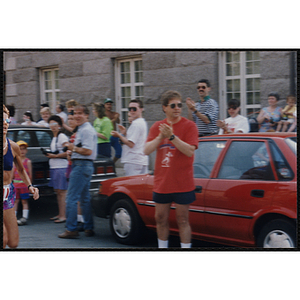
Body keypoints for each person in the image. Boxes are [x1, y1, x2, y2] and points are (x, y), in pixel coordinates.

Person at [144, 91, 199, 248]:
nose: (177, 108)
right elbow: (146, 150)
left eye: (179, 105)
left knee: (182, 220)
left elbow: (189, 151)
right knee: (160, 218)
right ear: (164, 108)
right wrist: (160, 137)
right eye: (173, 105)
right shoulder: (157, 127)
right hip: (163, 182)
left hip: (183, 183)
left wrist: (172, 137)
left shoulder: (190, 126)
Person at [58, 105, 97, 239]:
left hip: (81, 166)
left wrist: (72, 148)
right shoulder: (83, 129)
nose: (77, 116)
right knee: (84, 198)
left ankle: (71, 229)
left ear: (87, 115)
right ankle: (88, 227)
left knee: (71, 198)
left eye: (80, 113)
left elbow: (88, 151)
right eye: (75, 113)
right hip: (83, 165)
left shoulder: (85, 130)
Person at [3, 105, 39, 249]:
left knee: (13, 242)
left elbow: (21, 169)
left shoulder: (13, 146)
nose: (5, 124)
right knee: (3, 238)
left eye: (7, 121)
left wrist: (30, 186)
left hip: (8, 195)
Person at [111, 99, 148, 176]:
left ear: (141, 109)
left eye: (134, 109)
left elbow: (131, 144)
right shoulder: (142, 122)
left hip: (133, 160)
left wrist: (118, 135)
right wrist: (124, 134)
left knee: (132, 186)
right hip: (140, 160)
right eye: (129, 109)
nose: (131, 111)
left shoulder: (136, 124)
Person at [46, 115, 69, 223]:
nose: (53, 126)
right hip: (55, 167)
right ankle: (60, 214)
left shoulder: (62, 137)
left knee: (62, 192)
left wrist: (54, 156)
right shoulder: (55, 137)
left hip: (61, 167)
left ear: (59, 126)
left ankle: (63, 215)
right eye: (51, 124)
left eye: (55, 124)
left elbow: (68, 151)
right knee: (58, 192)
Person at [65, 113, 85, 231]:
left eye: (72, 119)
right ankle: (79, 220)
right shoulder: (72, 135)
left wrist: (70, 153)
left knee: (76, 196)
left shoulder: (77, 135)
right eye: (69, 119)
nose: (70, 121)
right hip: (71, 165)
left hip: (76, 166)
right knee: (76, 196)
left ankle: (80, 220)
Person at [13, 141, 32, 225]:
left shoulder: (28, 162)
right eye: (20, 149)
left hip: (24, 185)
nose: (22, 151)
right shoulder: (14, 162)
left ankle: (25, 217)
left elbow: (30, 175)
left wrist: (30, 186)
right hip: (15, 185)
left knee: (24, 201)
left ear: (26, 150)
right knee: (15, 201)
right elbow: (12, 174)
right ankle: (13, 217)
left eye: (24, 149)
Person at [104, 98, 122, 163]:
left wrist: (117, 118)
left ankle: (112, 163)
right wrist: (114, 118)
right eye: (107, 104)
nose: (109, 106)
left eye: (110, 104)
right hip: (107, 136)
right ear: (104, 105)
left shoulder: (113, 113)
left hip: (114, 136)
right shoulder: (103, 115)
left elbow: (118, 122)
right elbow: (108, 123)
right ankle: (107, 166)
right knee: (107, 154)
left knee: (119, 152)